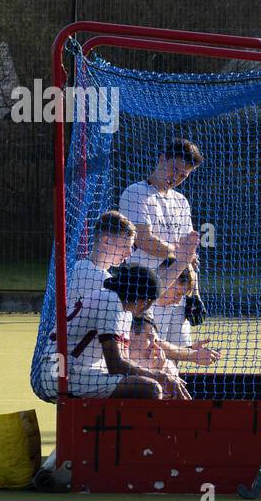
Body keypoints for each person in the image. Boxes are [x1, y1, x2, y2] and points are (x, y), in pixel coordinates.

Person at [39, 263, 189, 401]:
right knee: (151, 388)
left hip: (68, 371)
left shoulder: (122, 310)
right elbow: (115, 365)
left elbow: (123, 362)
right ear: (145, 301)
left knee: (148, 384)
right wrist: (159, 376)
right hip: (61, 374)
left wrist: (157, 372)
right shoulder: (110, 301)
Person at [120, 138, 206, 345]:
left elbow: (190, 256)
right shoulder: (135, 193)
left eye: (183, 175)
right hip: (147, 294)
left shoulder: (181, 202)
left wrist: (194, 294)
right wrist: (179, 254)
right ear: (161, 159)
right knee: (148, 354)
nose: (175, 177)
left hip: (177, 298)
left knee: (179, 356)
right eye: (174, 169)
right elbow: (144, 240)